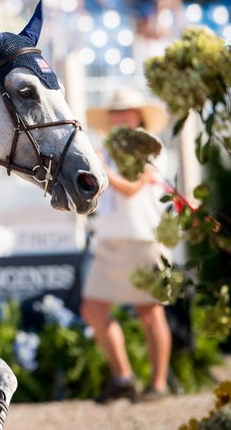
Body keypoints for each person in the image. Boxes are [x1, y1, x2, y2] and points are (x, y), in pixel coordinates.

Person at [81, 88, 172, 404]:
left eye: (126, 112)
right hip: (109, 238)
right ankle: (124, 377)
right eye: (115, 113)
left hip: (143, 237)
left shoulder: (149, 146)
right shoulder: (103, 150)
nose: (120, 117)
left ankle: (158, 385)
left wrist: (101, 171)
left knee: (149, 312)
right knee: (93, 310)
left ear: (138, 116)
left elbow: (132, 189)